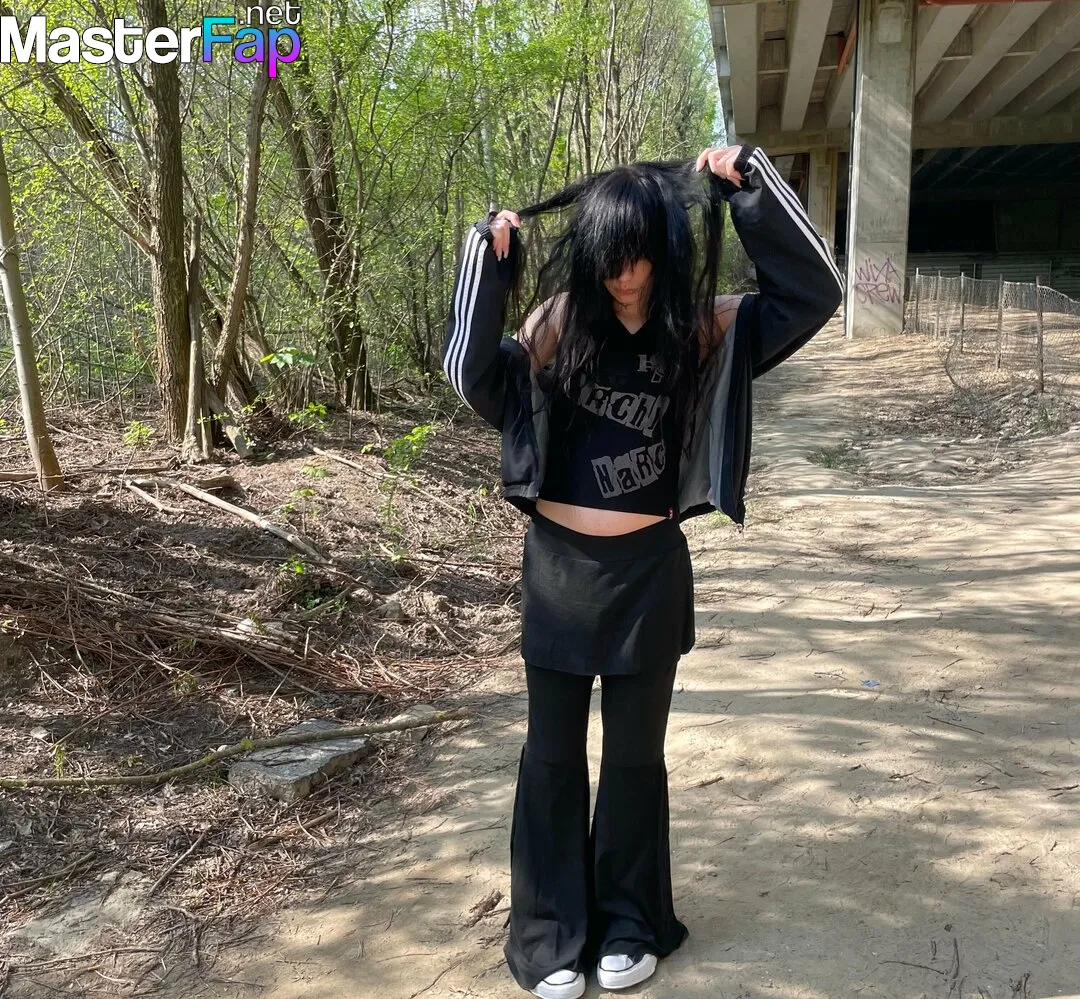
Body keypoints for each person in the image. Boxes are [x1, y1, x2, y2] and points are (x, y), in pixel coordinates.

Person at [441, 144, 843, 998]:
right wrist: (489, 266)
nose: (625, 276)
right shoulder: (558, 322)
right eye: (610, 258)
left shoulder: (700, 328)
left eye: (641, 256)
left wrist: (751, 187)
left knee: (633, 759)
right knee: (552, 759)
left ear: (666, 246)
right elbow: (473, 379)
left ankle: (628, 920)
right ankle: (549, 931)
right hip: (559, 576)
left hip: (649, 578)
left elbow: (815, 295)